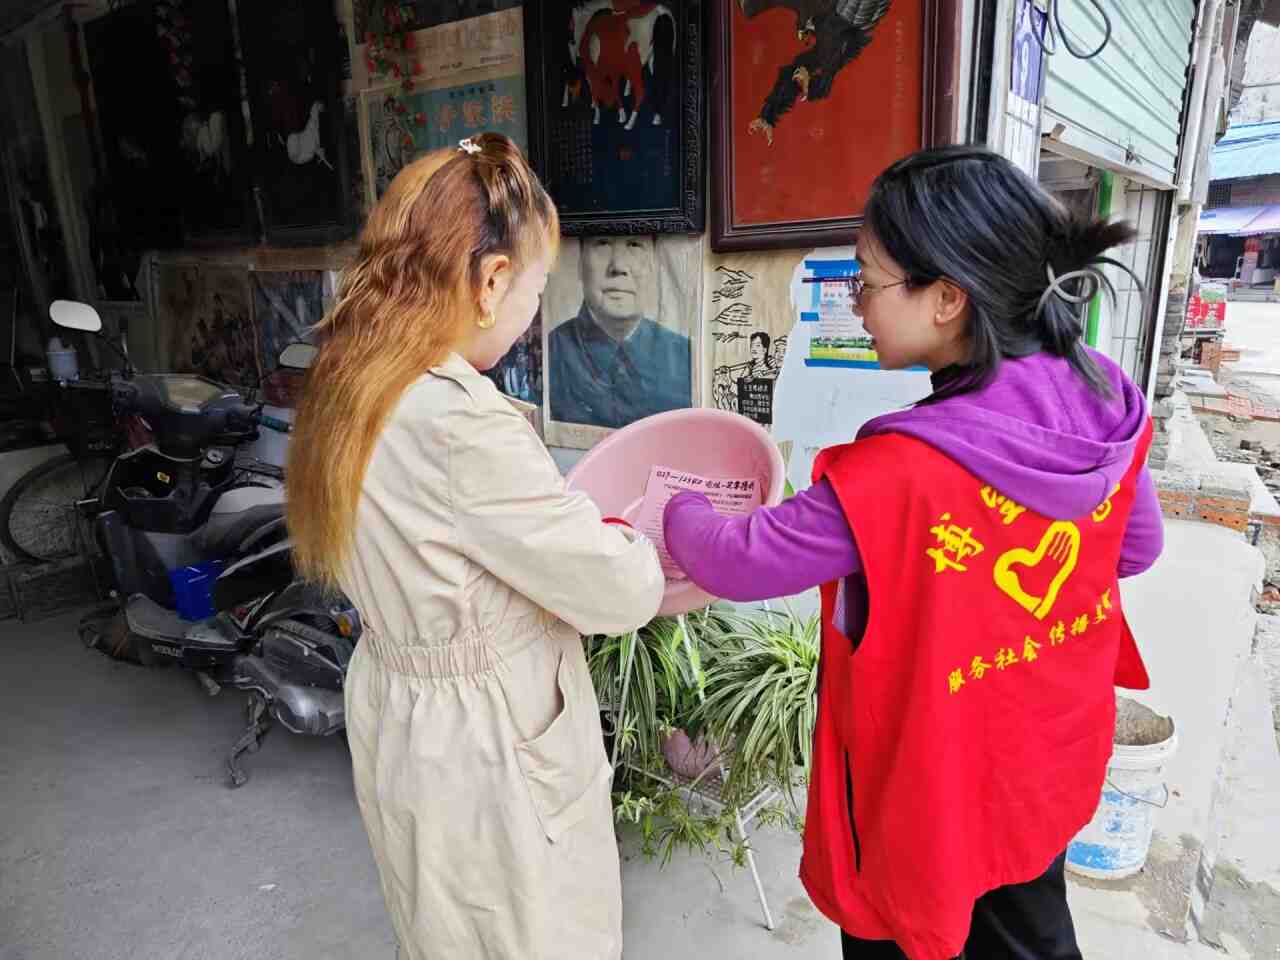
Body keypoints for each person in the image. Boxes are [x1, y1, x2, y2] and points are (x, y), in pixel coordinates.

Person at [662, 147, 1165, 960]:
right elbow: (1135, 549)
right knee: (1030, 927)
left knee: (910, 928)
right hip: (1044, 747)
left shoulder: (898, 472)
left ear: (948, 298)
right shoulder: (1106, 393)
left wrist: (676, 497)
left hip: (934, 774)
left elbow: (734, 560)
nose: (855, 302)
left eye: (866, 280)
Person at [285, 133, 664, 960]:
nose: (532, 313)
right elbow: (619, 592)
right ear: (491, 282)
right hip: (485, 734)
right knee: (526, 929)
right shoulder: (460, 422)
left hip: (397, 701)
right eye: (537, 288)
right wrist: (638, 543)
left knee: (442, 922)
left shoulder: (349, 383)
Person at [548, 235, 691, 428]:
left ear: (653, 267)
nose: (618, 266)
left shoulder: (686, 358)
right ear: (580, 264)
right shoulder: (548, 354)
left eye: (634, 244)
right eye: (602, 243)